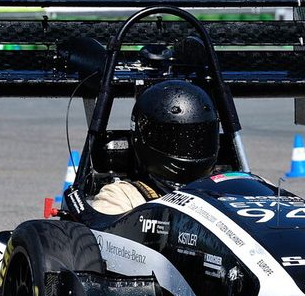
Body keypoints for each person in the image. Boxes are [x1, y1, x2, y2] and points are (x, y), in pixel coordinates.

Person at [91, 80, 220, 214]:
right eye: (175, 140)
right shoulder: (123, 197)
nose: (190, 147)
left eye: (198, 138)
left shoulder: (224, 190)